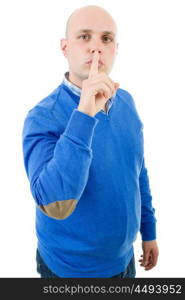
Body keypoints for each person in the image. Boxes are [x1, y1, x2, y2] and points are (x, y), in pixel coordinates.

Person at [22, 5, 159, 278]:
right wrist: (84, 112)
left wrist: (149, 229)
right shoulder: (42, 117)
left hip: (124, 261)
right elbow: (55, 203)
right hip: (69, 271)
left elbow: (136, 170)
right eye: (84, 37)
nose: (96, 47)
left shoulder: (127, 102)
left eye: (106, 39)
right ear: (65, 48)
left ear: (115, 49)